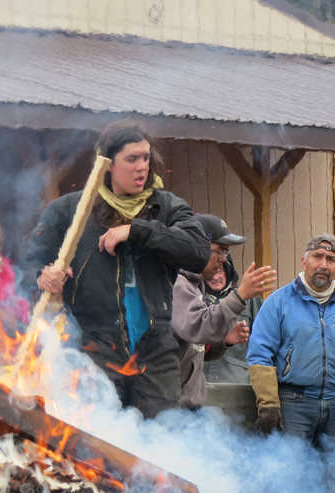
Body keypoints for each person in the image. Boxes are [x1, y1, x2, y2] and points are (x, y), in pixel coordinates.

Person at [25, 120, 209, 418]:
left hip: (156, 347)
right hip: (93, 347)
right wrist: (43, 275)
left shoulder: (166, 207)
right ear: (108, 164)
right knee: (101, 442)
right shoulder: (68, 210)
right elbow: (29, 259)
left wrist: (136, 230)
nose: (142, 167)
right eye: (132, 159)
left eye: (146, 158)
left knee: (162, 440)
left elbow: (199, 251)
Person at [246, 233, 335, 448]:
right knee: (292, 473)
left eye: (331, 259)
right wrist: (268, 405)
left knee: (330, 474)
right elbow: (260, 354)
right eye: (317, 257)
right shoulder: (278, 302)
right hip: (293, 404)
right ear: (304, 261)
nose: (323, 264)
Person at [171, 214, 276, 408]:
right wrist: (240, 295)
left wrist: (223, 340)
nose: (223, 259)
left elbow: (193, 347)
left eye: (226, 253)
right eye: (219, 251)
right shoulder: (178, 284)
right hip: (171, 410)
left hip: (187, 409)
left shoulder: (194, 286)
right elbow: (198, 326)